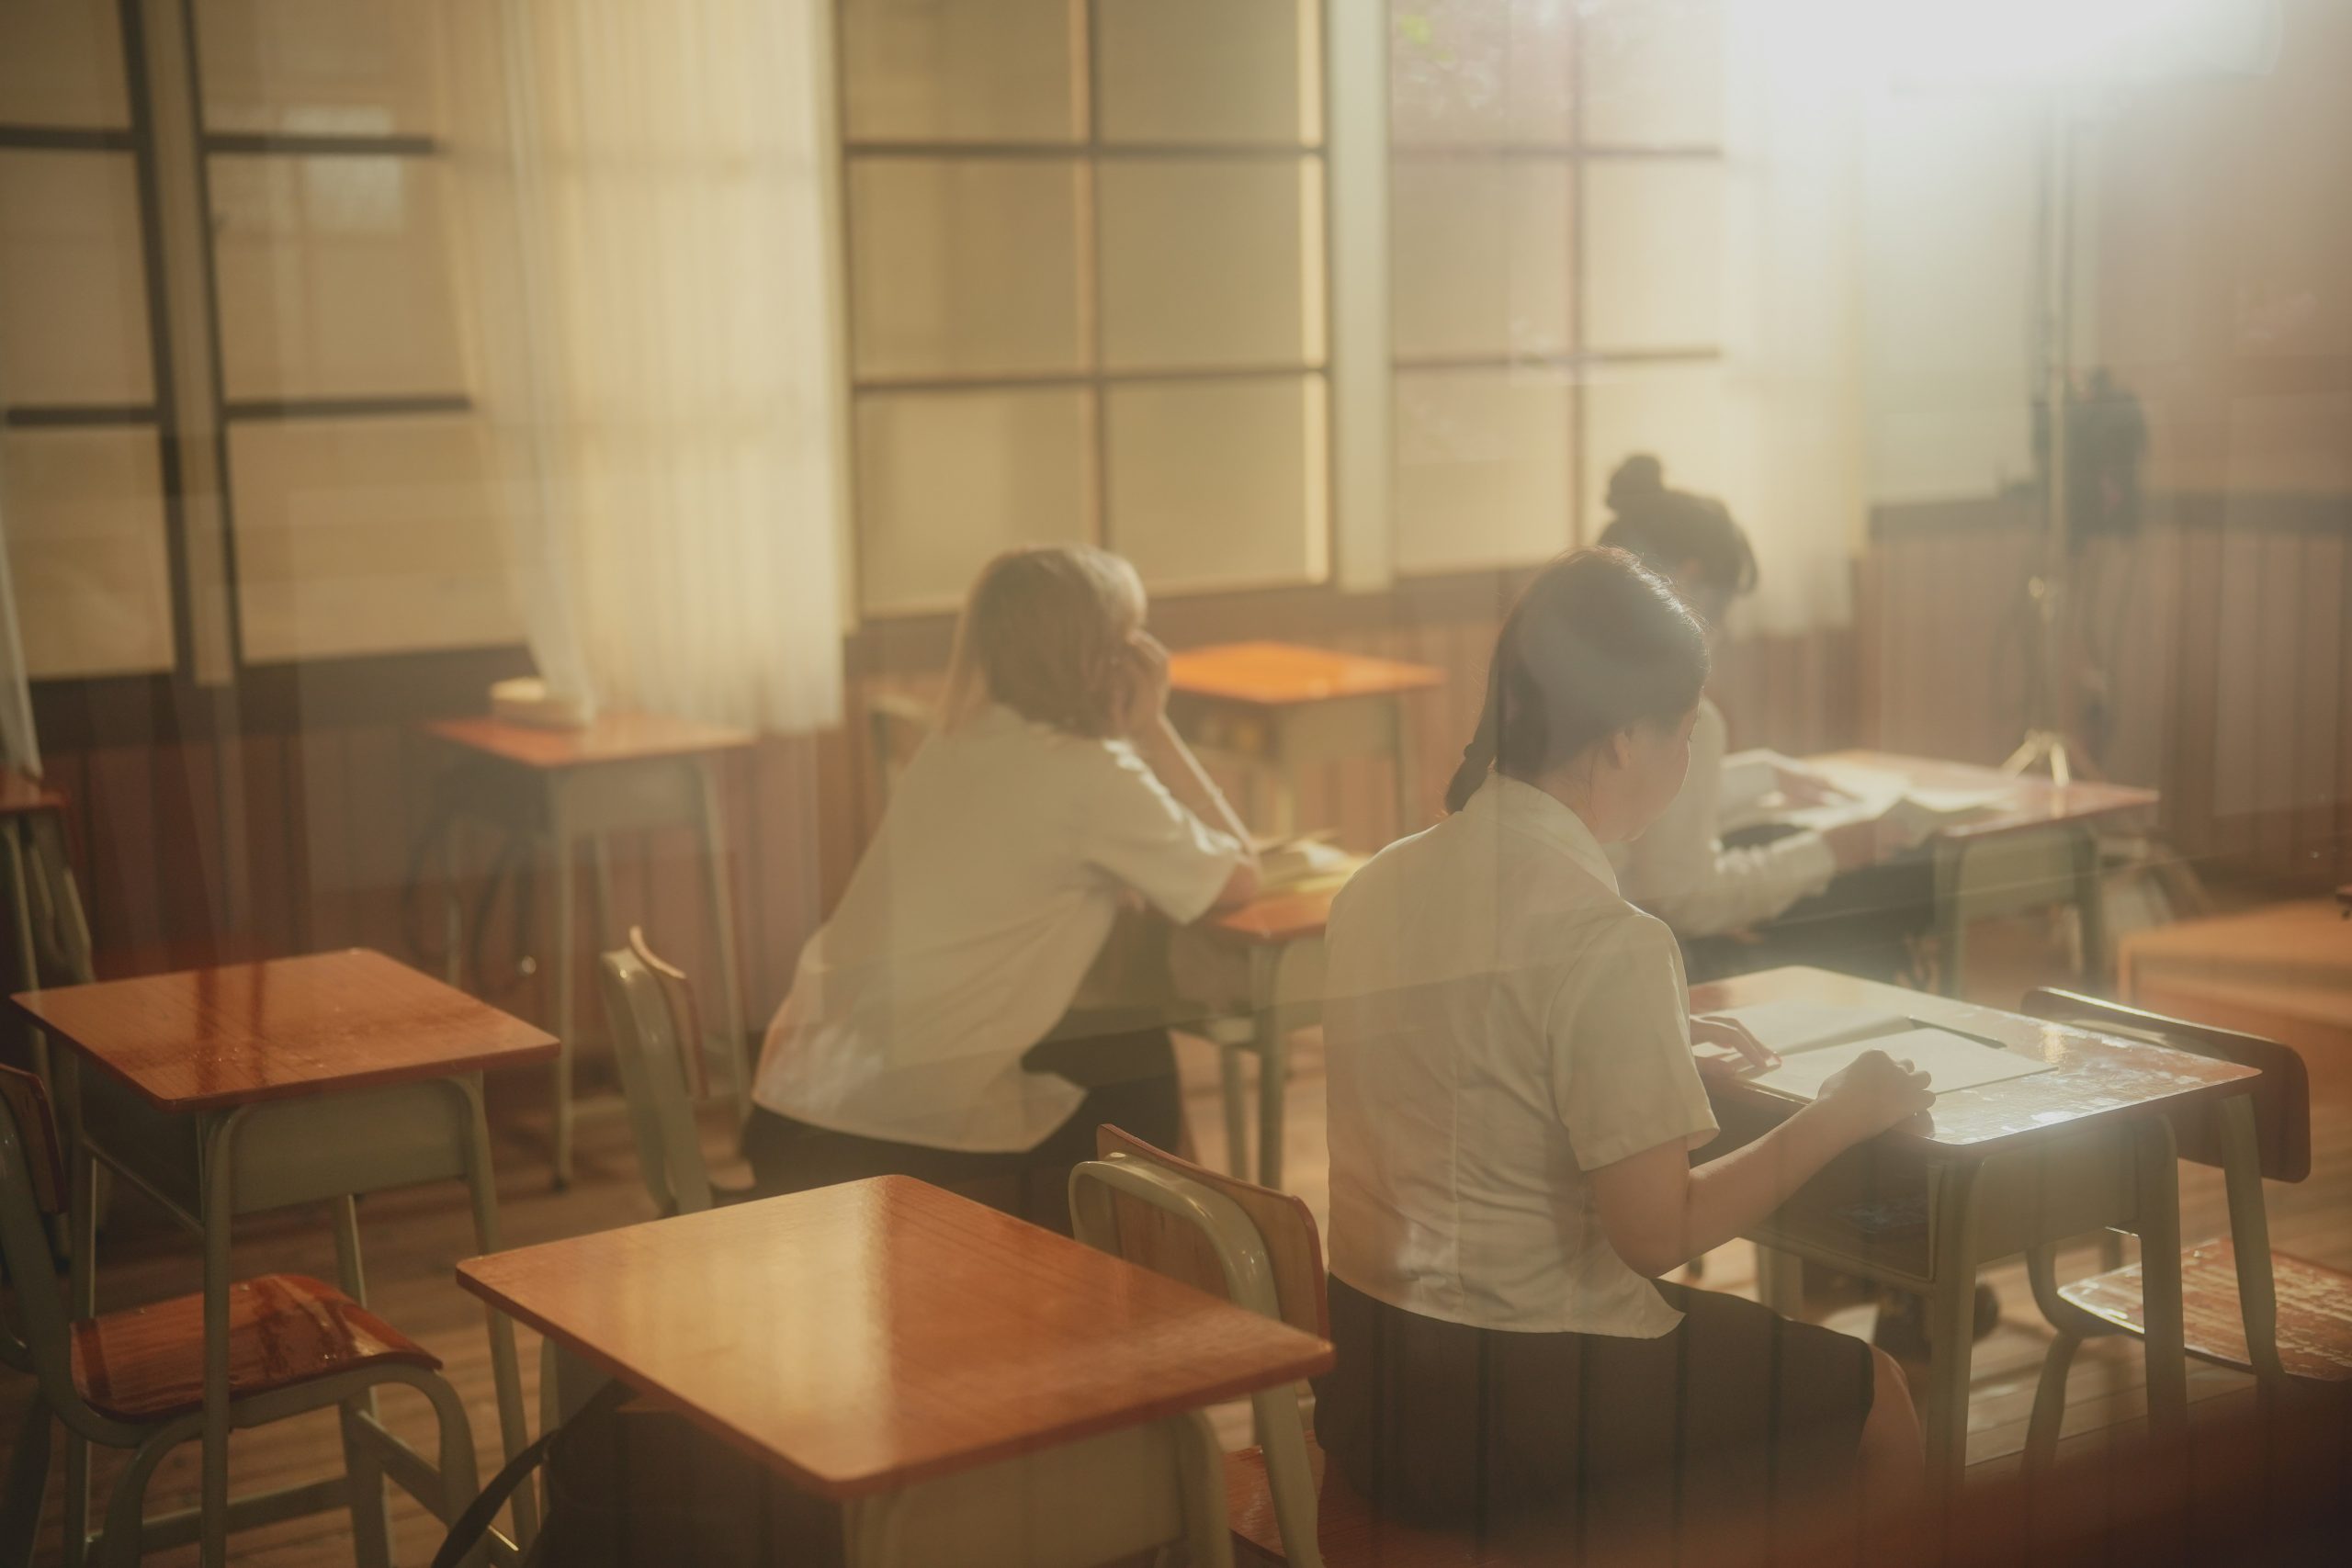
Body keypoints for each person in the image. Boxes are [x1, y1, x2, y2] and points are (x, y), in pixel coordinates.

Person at [1314, 547, 1928, 1549]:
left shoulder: (1375, 884)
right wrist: (1844, 1112)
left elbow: (1467, 1056)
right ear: (1619, 743)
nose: (1687, 764)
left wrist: (1651, 1041)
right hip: (1531, 1407)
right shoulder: (1607, 937)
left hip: (1378, 1390)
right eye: (1685, 735)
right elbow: (1657, 1236)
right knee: (1878, 1399)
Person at [742, 544, 1258, 1230]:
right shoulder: (1090, 773)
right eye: (1129, 638)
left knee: (1112, 1045)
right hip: (893, 1136)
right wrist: (1154, 725)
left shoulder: (955, 741)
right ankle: (1169, 1276)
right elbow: (1241, 874)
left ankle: (1160, 1274)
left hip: (799, 1105)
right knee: (1139, 1056)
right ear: (1102, 654)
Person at [1598, 454, 1929, 985]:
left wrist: (1766, 775)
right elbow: (1686, 902)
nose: (1719, 635)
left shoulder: (1574, 684)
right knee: (1864, 927)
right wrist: (1828, 851)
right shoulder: (1678, 715)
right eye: (1721, 615)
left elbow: (1641, 809)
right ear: (1687, 585)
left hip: (1560, 957)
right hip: (1630, 972)